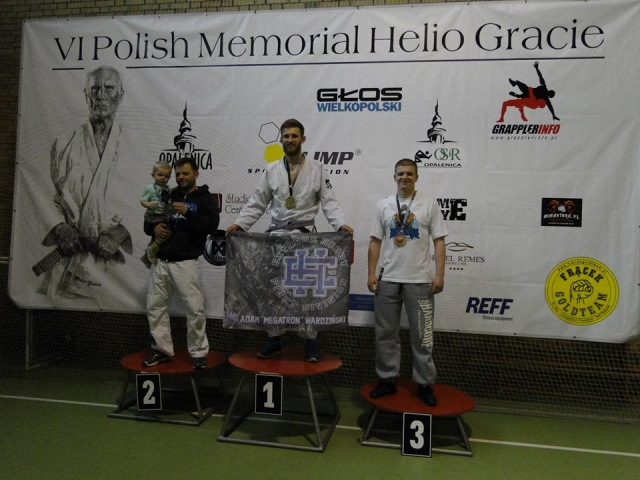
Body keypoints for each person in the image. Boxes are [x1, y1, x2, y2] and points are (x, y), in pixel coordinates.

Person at [226, 118, 353, 362]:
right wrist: (240, 224)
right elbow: (257, 202)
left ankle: (310, 341)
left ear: (303, 139)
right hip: (276, 237)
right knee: (272, 290)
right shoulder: (272, 169)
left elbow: (329, 202)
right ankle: (274, 338)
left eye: (294, 136)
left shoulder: (317, 169)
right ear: (281, 139)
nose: (290, 140)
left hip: (304, 238)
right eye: (286, 136)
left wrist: (340, 225)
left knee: (306, 294)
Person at [39, 65, 132, 304]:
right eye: (95, 89)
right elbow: (46, 193)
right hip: (70, 255)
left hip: (116, 265)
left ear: (121, 95)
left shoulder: (135, 147)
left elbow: (150, 201)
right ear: (85, 94)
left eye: (109, 88)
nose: (101, 95)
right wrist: (60, 227)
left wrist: (122, 231)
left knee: (115, 314)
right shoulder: (64, 143)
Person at [367, 158, 448, 406]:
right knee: (385, 334)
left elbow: (439, 241)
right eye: (400, 173)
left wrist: (440, 275)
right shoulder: (383, 205)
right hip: (388, 280)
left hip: (420, 281)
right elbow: (375, 241)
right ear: (394, 177)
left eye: (409, 174)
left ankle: (424, 383)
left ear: (416, 177)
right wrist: (371, 274)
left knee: (422, 336)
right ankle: (387, 379)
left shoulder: (429, 204)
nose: (404, 177)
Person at [142, 157, 220, 369]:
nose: (181, 177)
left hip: (186, 262)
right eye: (177, 174)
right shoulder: (168, 194)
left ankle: (199, 352)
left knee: (194, 309)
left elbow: (212, 226)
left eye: (185, 173)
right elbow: (148, 219)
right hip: (161, 260)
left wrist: (188, 212)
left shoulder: (205, 199)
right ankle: (161, 350)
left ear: (196, 173)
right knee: (155, 307)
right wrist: (153, 228)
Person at [139, 161, 173, 268]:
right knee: (165, 231)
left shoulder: (168, 189)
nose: (163, 178)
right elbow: (142, 201)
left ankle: (148, 254)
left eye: (166, 176)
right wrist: (149, 204)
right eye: (160, 175)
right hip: (153, 217)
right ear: (153, 175)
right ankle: (151, 251)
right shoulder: (150, 188)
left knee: (161, 235)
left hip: (163, 216)